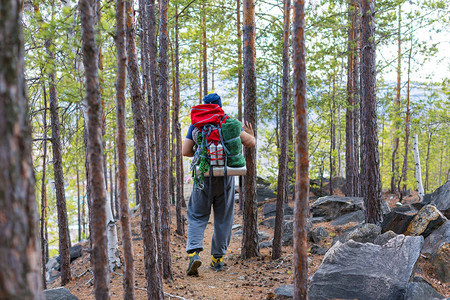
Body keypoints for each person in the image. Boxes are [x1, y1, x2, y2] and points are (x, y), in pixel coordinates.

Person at [182, 93, 256, 276]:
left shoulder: (197, 122)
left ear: (205, 105)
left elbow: (185, 151)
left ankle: (194, 254)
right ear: (220, 106)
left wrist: (201, 155)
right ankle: (217, 259)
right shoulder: (227, 122)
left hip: (203, 176)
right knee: (223, 218)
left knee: (197, 215)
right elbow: (250, 143)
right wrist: (251, 135)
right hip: (226, 177)